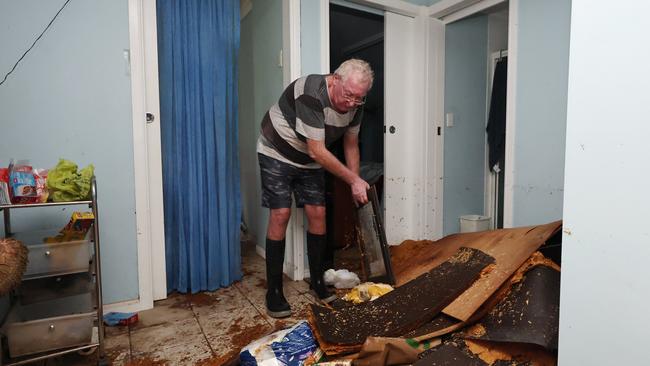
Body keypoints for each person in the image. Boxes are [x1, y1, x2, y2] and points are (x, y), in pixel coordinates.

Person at [257, 59, 374, 318]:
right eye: (348, 95)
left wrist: (355, 183)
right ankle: (274, 292)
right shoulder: (310, 93)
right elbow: (317, 150)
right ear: (334, 80)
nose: (352, 103)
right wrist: (353, 180)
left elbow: (351, 144)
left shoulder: (356, 105)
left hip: (309, 159)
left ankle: (318, 282)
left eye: (359, 98)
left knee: (318, 213)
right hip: (277, 151)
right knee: (280, 213)